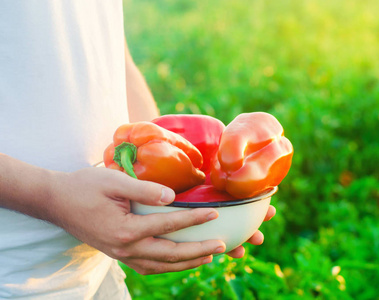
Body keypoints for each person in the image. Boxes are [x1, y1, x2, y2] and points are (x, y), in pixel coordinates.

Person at [0, 1, 276, 299]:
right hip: (12, 278)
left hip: (95, 272)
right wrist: (51, 196)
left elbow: (105, 46)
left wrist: (170, 194)